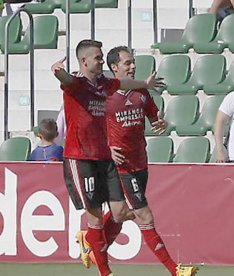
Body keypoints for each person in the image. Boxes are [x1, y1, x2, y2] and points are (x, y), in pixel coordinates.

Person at [80, 46, 198, 276]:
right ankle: (175, 270)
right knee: (144, 215)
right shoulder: (105, 94)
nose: (133, 66)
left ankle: (91, 241)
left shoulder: (141, 93)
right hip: (120, 164)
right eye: (127, 63)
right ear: (114, 67)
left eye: (133, 62)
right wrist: (108, 148)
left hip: (140, 162)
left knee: (120, 215)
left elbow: (154, 117)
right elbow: (91, 127)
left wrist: (158, 123)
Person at [51, 39, 164, 276]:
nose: (101, 61)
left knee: (120, 212)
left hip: (105, 157)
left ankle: (88, 240)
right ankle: (106, 273)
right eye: (98, 58)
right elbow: (66, 80)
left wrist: (144, 83)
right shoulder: (77, 85)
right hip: (80, 157)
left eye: (102, 57)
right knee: (96, 220)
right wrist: (57, 71)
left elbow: (122, 82)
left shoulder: (103, 84)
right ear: (84, 61)